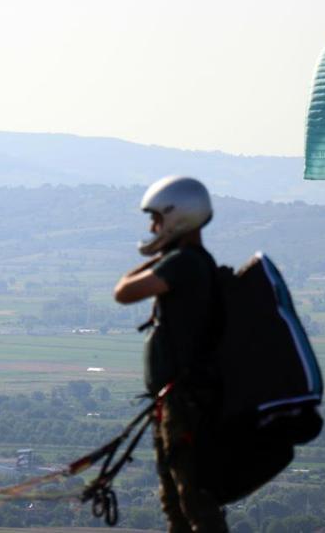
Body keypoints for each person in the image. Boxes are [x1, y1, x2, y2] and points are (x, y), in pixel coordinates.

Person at [113, 176, 228, 533]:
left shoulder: (183, 263)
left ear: (178, 219)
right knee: (177, 503)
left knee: (194, 500)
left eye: (157, 219)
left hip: (185, 403)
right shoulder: (193, 261)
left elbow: (124, 292)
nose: (152, 227)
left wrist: (155, 253)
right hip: (178, 401)